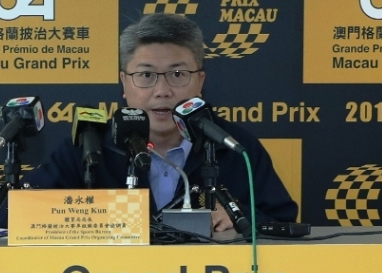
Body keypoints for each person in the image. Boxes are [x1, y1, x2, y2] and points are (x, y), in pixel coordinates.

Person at [21, 13, 297, 231]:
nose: (162, 91)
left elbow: (283, 222)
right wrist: (86, 216)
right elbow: (16, 214)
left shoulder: (234, 147)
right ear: (124, 83)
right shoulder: (89, 147)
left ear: (200, 82)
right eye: (146, 75)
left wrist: (241, 219)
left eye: (177, 74)